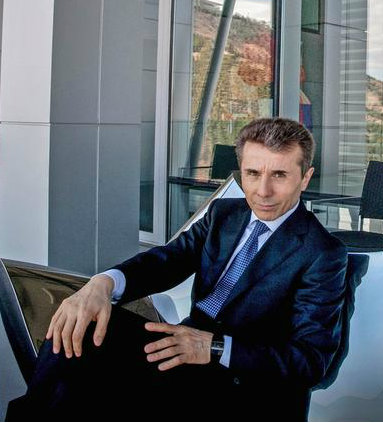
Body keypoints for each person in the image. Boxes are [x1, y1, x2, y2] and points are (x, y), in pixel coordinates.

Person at [9, 117, 348, 421]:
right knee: (78, 325)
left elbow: (310, 360)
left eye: (279, 175)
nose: (263, 191)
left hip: (243, 383)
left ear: (305, 178)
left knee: (82, 390)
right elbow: (168, 260)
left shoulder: (323, 253)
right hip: (182, 349)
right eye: (253, 173)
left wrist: (214, 347)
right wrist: (104, 283)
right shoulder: (224, 214)